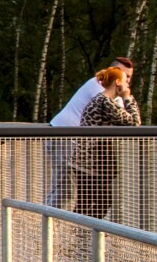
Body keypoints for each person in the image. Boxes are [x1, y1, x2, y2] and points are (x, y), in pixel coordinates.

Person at [45, 56, 136, 207]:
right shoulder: (100, 89)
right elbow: (130, 120)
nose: (127, 81)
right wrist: (127, 96)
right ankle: (48, 228)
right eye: (125, 76)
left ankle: (64, 227)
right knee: (64, 191)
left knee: (75, 194)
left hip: (71, 142)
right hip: (64, 138)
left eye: (129, 77)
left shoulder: (103, 89)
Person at [73, 65, 141, 221]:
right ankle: (86, 235)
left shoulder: (99, 100)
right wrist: (128, 98)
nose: (127, 86)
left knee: (83, 205)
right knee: (103, 202)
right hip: (92, 164)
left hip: (83, 162)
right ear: (118, 83)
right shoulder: (106, 102)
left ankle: (79, 238)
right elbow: (135, 123)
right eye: (125, 82)